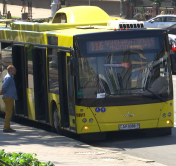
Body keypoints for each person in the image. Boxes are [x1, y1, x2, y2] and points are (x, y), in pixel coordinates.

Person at [0, 65, 17, 132]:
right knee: (8, 113)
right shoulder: (8, 77)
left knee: (9, 112)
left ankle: (8, 127)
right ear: (10, 70)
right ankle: (6, 128)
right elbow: (4, 86)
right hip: (8, 97)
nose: (15, 70)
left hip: (9, 96)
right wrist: (3, 91)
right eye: (14, 69)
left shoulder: (10, 77)